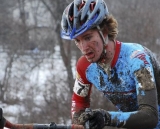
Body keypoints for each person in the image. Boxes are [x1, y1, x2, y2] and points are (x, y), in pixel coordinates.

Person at [61, 0, 160, 129]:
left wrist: (107, 117)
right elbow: (79, 102)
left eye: (88, 37)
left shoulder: (137, 59)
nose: (83, 47)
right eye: (77, 41)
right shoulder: (84, 66)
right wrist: (79, 123)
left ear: (105, 31)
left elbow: (150, 116)